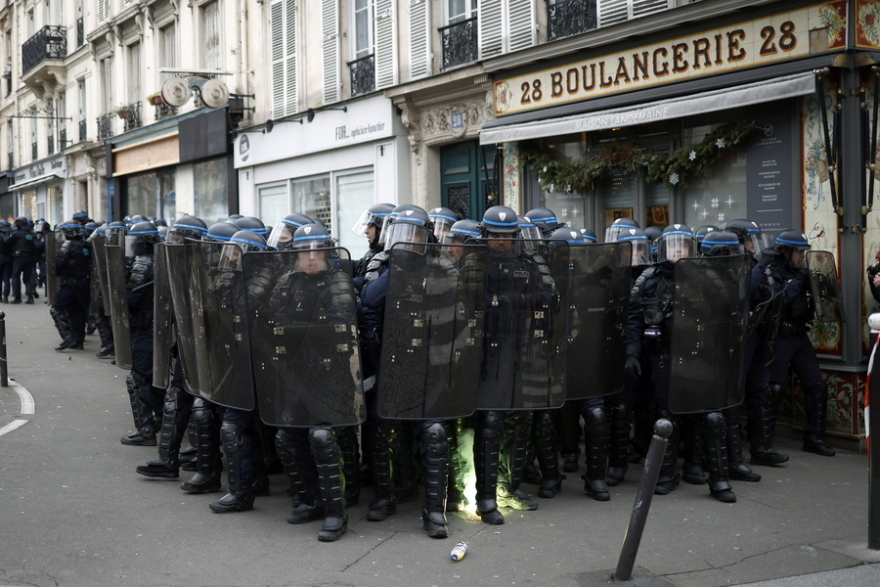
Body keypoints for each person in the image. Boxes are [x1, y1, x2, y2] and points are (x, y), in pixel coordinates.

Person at [270, 223, 359, 541]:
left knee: (322, 438)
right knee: (288, 437)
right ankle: (308, 499)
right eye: (304, 252)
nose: (310, 258)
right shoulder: (287, 281)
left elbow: (342, 324)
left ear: (326, 253)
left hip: (331, 375)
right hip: (296, 373)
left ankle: (336, 513)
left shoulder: (337, 282)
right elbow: (273, 319)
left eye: (316, 251)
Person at [136, 216, 209, 481]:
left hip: (212, 351)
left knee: (208, 410)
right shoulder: (178, 268)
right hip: (190, 347)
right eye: (173, 239)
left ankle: (206, 463)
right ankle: (167, 460)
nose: (174, 244)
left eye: (179, 240)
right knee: (177, 399)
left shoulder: (208, 268)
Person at [764, 230, 835, 457]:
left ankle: (814, 438)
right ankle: (764, 443)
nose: (802, 256)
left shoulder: (801, 271)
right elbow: (779, 299)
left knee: (816, 383)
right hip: (780, 336)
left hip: (799, 336)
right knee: (774, 388)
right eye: (799, 252)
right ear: (786, 252)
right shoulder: (771, 271)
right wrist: (801, 280)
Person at [120, 221, 164, 447]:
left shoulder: (143, 264)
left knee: (140, 378)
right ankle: (160, 421)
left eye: (135, 240)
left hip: (145, 328)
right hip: (163, 328)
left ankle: (146, 429)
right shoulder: (164, 258)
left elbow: (131, 299)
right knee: (157, 378)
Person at [50, 220, 91, 351]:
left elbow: (59, 265)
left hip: (70, 283)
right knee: (77, 312)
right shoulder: (86, 245)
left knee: (57, 308)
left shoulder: (67, 245)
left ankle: (68, 336)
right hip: (85, 282)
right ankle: (78, 341)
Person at [8, 217, 37, 304]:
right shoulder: (31, 234)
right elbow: (35, 246)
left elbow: (7, 243)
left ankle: (17, 297)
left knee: (16, 277)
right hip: (30, 258)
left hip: (19, 258)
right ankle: (30, 297)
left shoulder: (16, 234)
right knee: (27, 278)